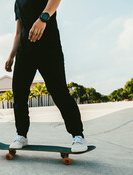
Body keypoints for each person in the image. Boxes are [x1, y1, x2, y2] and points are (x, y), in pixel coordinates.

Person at [5, 0, 87, 152]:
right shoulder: (17, 3)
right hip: (25, 51)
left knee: (59, 92)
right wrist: (11, 56)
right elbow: (18, 31)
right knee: (19, 94)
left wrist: (43, 18)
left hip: (49, 48)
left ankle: (78, 136)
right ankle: (21, 135)